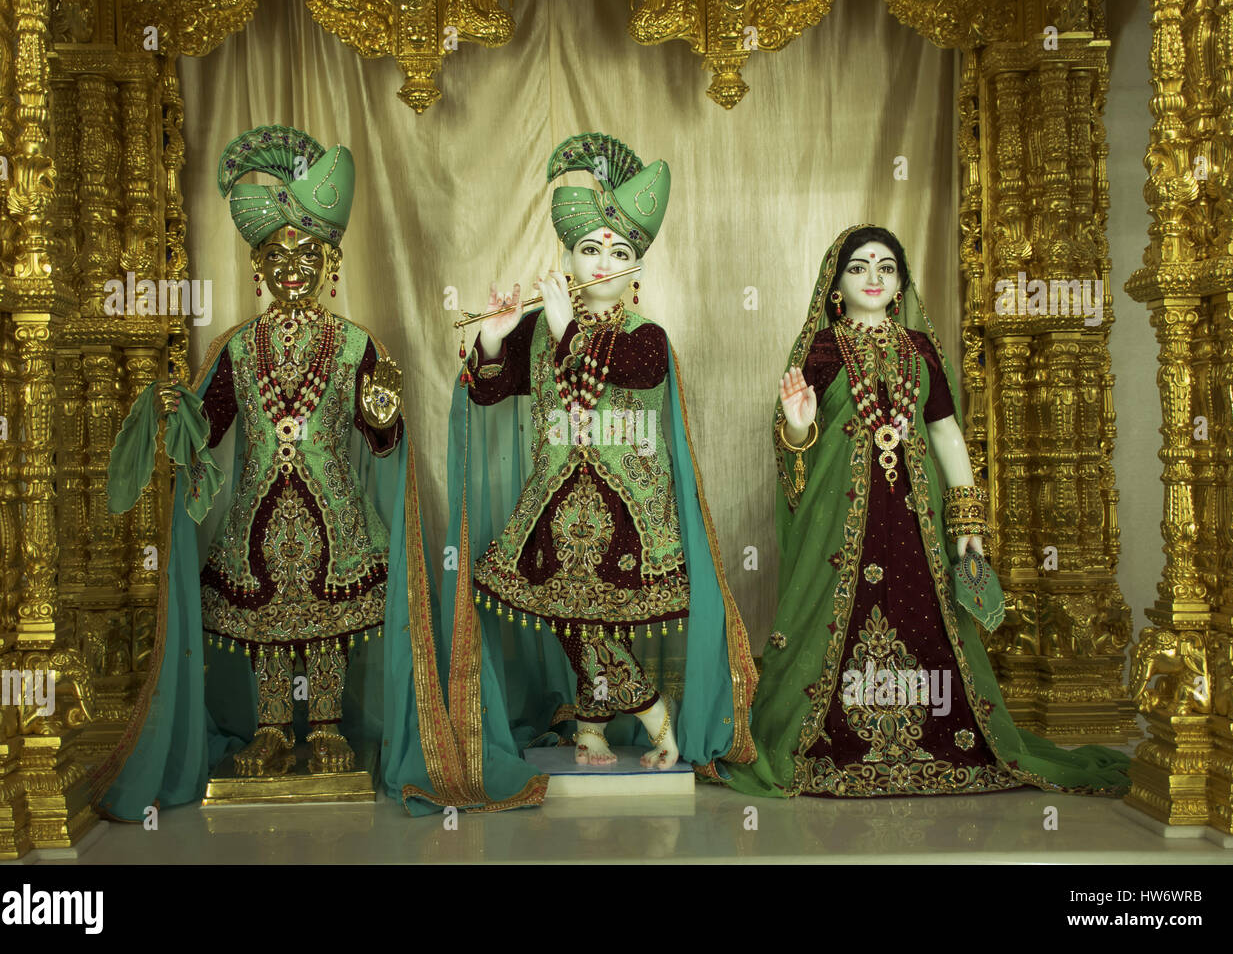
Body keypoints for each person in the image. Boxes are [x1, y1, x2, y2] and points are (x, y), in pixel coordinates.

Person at [94, 125, 545, 817]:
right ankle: (273, 729)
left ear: (331, 260)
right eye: (278, 256)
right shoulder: (239, 349)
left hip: (337, 520)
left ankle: (329, 726)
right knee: (271, 629)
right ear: (260, 267)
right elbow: (208, 431)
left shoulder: (358, 344)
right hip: (255, 522)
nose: (293, 267)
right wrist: (175, 411)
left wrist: (385, 416)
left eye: (307, 254)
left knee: (327, 626)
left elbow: (383, 442)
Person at [726, 224, 1129, 798]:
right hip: (840, 518)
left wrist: (966, 520)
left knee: (924, 610)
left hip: (915, 512)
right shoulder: (822, 349)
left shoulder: (919, 350)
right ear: (836, 282)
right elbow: (797, 439)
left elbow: (944, 431)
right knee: (837, 613)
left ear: (900, 282)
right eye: (859, 266)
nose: (873, 277)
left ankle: (939, 738)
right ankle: (828, 740)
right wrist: (795, 421)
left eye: (886, 267)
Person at [447, 132, 756, 777]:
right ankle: (596, 728)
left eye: (620, 251)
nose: (604, 263)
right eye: (590, 249)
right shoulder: (538, 326)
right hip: (550, 504)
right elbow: (486, 393)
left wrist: (563, 330)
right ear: (569, 257)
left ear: (638, 266)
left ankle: (650, 719)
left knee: (593, 619)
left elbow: (628, 385)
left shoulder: (648, 339)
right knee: (575, 617)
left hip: (628, 511)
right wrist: (496, 337)